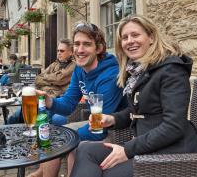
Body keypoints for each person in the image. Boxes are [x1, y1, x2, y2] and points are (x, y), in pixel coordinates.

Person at [70, 15, 197, 177]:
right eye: (125, 37)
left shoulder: (171, 70)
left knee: (107, 171)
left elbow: (174, 127)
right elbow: (138, 111)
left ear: (151, 37)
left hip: (173, 153)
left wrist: (128, 150)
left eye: (135, 35)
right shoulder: (138, 70)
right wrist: (113, 119)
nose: (129, 41)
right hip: (146, 146)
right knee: (85, 149)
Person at [29, 22, 127, 177]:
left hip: (116, 131)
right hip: (94, 122)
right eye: (76, 44)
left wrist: (65, 137)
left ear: (99, 48)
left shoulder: (109, 74)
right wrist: (49, 101)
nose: (80, 50)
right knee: (50, 135)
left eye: (87, 44)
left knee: (59, 140)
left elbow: (98, 130)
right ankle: (43, 172)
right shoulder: (80, 69)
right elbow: (68, 104)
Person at [7, 38, 76, 125]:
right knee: (15, 116)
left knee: (39, 121)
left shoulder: (73, 66)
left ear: (71, 52)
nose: (59, 53)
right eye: (58, 50)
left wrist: (46, 78)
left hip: (55, 99)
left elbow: (59, 79)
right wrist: (52, 80)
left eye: (62, 51)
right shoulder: (55, 64)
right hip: (41, 96)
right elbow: (37, 78)